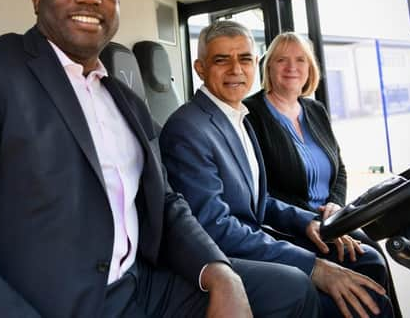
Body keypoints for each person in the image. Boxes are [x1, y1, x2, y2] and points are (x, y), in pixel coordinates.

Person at [0, 0, 321, 318]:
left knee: (291, 290)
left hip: (139, 285)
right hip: (43, 298)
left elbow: (168, 204)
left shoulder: (126, 100)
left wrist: (219, 271)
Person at [160, 20, 394, 318]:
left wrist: (306, 222)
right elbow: (215, 228)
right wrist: (313, 266)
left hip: (255, 239)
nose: (236, 69)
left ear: (255, 64)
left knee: (369, 261)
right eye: (221, 60)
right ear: (200, 68)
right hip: (229, 256)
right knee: (370, 304)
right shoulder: (188, 129)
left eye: (244, 58)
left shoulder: (236, 117)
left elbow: (259, 199)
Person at [243, 32, 401, 317]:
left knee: (376, 256)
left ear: (310, 68)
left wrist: (335, 205)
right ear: (269, 67)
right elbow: (259, 188)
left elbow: (338, 169)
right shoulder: (251, 115)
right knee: (371, 261)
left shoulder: (315, 110)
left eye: (300, 60)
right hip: (290, 226)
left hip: (332, 218)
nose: (292, 67)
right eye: (282, 60)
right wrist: (312, 219)